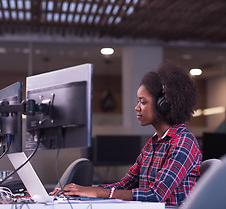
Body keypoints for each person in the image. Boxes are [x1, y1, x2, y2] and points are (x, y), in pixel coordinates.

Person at [50, 62, 202, 206]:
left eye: (143, 102)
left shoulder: (183, 142)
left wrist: (97, 192)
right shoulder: (153, 144)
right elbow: (125, 185)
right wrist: (82, 190)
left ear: (164, 104)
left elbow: (156, 195)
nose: (137, 108)